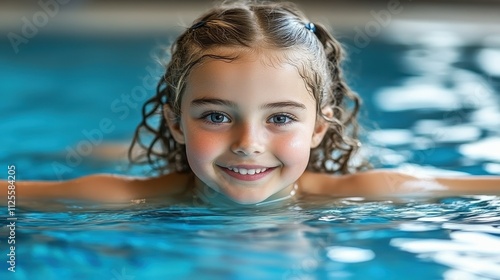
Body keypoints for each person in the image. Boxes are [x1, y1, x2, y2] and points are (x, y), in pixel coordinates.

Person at [6, 1, 500, 207]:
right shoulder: (126, 197)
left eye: (280, 118)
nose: (248, 144)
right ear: (176, 124)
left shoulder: (365, 190)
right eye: (216, 117)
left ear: (319, 130)